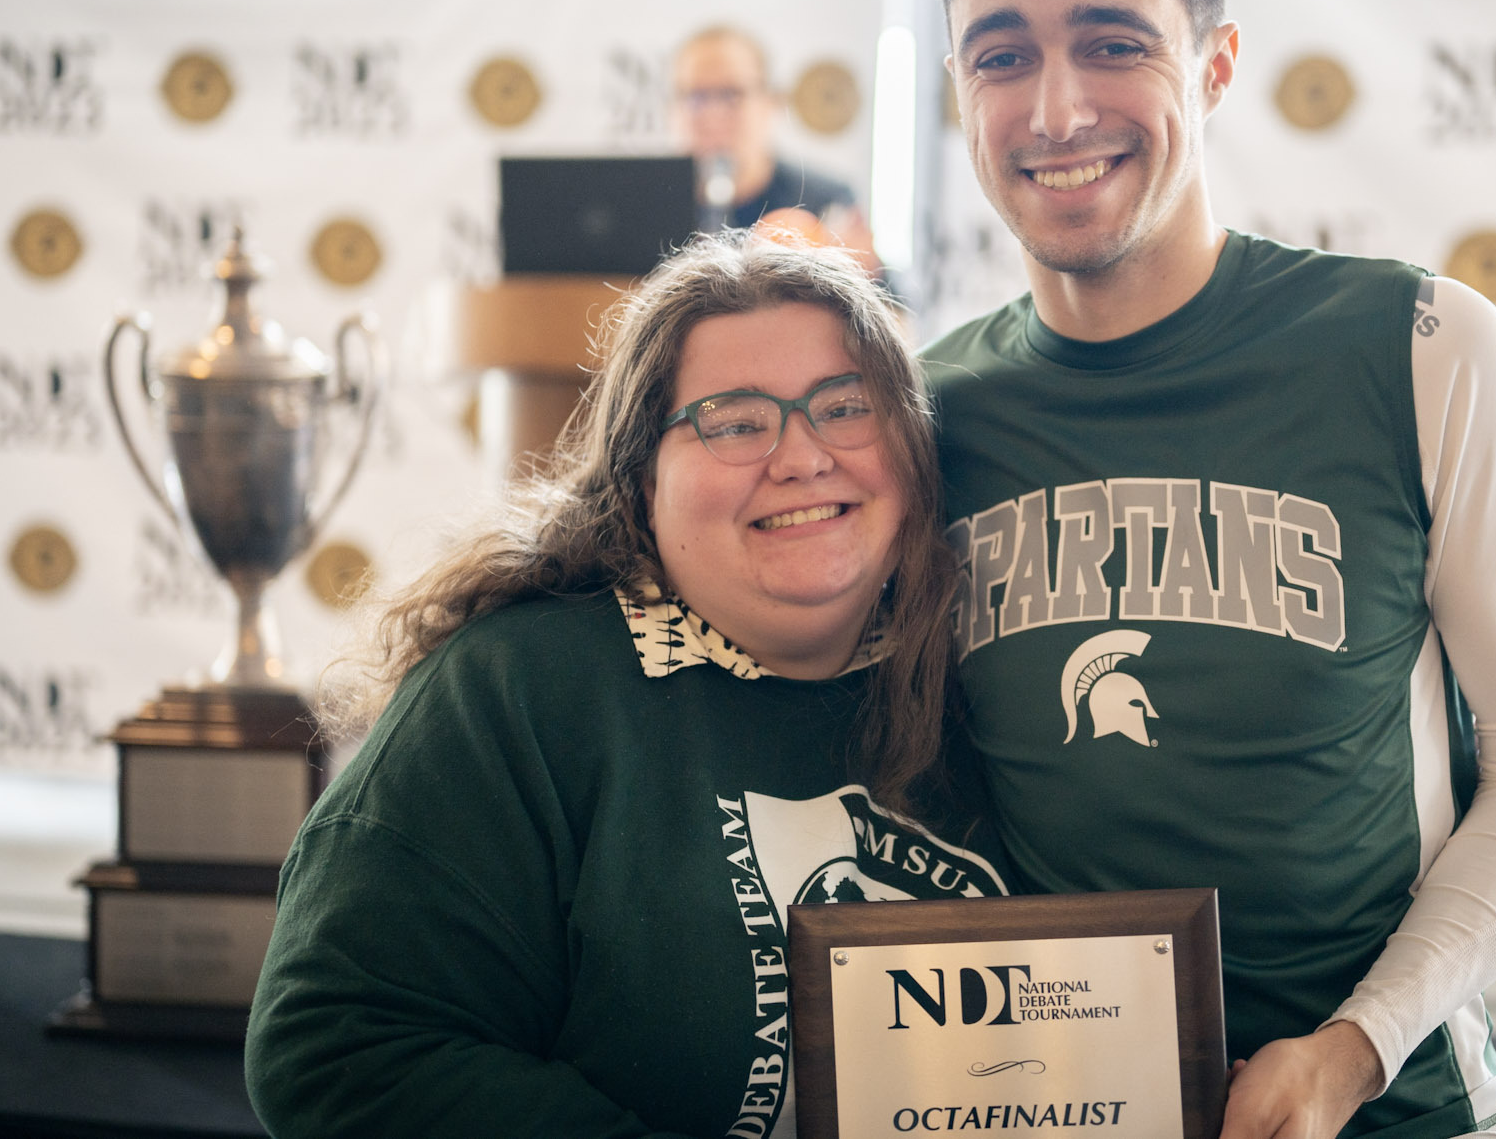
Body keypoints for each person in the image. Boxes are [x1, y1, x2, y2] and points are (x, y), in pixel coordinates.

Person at [921, 0, 1496, 1139]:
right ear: (960, 87)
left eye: (1115, 42)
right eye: (1001, 55)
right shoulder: (932, 414)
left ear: (1217, 64)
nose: (1056, 108)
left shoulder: (1418, 343)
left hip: (1391, 1109)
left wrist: (1351, 1051)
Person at [244, 236, 1009, 1137]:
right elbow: (338, 1045)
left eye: (846, 408)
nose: (802, 457)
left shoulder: (986, 677)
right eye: (734, 421)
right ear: (641, 475)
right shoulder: (518, 691)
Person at [672, 25, 897, 295]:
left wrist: (850, 285)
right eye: (696, 97)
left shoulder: (825, 203)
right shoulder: (647, 203)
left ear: (771, 101)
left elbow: (897, 319)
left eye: (731, 94)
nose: (713, 114)